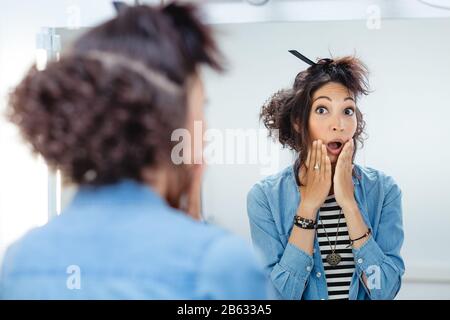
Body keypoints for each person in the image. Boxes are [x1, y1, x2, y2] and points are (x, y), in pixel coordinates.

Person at [0, 2, 268, 299]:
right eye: (201, 108)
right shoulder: (218, 264)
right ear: (173, 123)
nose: (205, 133)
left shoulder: (20, 260)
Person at [247, 51, 405, 300]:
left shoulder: (384, 190)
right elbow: (275, 297)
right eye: (322, 110)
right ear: (299, 121)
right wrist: (308, 208)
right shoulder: (265, 197)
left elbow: (384, 290)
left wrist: (350, 206)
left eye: (348, 111)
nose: (338, 124)